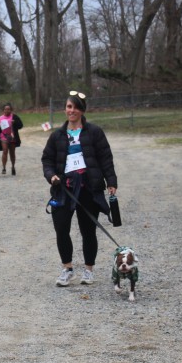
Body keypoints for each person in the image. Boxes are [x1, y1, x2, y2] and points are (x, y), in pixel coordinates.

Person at [41, 91, 117, 287]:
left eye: (75, 107)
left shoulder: (94, 132)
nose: (71, 110)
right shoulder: (57, 135)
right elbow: (47, 160)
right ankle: (67, 269)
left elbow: (105, 158)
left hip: (88, 188)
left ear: (82, 110)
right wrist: (51, 176)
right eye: (69, 106)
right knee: (61, 229)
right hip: (63, 188)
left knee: (88, 231)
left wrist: (111, 181)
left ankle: (88, 270)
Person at [0, 102, 23, 175]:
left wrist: (15, 122)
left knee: (12, 152)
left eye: (8, 109)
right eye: (5, 109)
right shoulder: (1, 118)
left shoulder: (14, 117)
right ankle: (4, 167)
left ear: (11, 110)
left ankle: (13, 167)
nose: (7, 110)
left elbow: (21, 125)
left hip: (12, 136)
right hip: (3, 136)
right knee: (5, 150)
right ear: (3, 110)